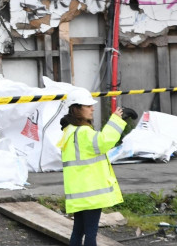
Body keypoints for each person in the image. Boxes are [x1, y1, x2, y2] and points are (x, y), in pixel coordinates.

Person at [57, 88, 127, 246]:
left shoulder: (69, 131)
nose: (92, 108)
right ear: (76, 109)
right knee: (90, 235)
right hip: (91, 194)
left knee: (78, 232)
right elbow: (104, 142)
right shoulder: (83, 133)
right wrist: (116, 120)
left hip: (80, 193)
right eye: (88, 106)